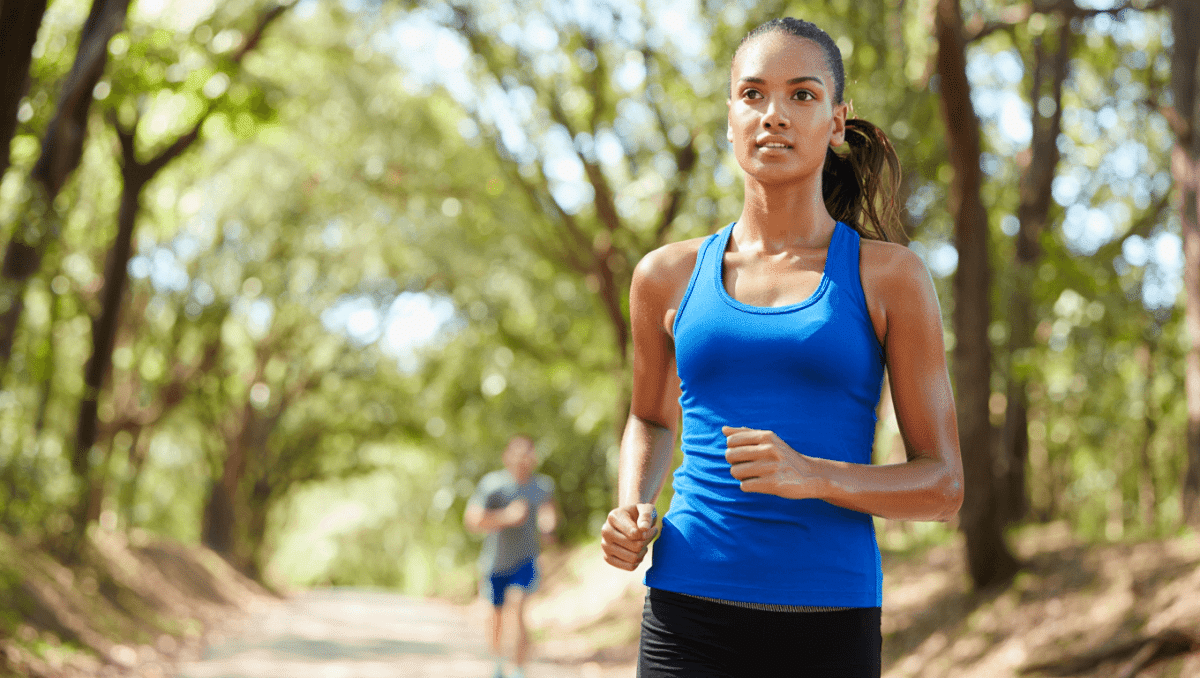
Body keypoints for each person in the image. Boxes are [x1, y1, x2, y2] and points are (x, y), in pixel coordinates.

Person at [599, 17, 965, 677]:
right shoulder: (665, 275)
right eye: (753, 94)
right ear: (729, 117)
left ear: (836, 120)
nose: (774, 114)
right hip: (687, 610)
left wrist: (817, 475)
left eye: (802, 94)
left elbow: (942, 487)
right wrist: (632, 505)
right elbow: (650, 418)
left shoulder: (890, 277)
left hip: (829, 621)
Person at [464, 434, 557, 678]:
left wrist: (548, 526)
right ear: (507, 456)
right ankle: (498, 663)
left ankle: (518, 669)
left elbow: (548, 512)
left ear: (533, 458)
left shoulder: (541, 486)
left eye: (527, 454)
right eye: (517, 453)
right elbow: (472, 520)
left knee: (517, 607)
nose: (522, 459)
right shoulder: (492, 485)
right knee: (495, 615)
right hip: (494, 562)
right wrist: (506, 517)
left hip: (526, 560)